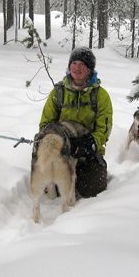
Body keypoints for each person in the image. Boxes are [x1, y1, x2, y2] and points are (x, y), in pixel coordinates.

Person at [39, 47, 113, 198]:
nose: (77, 68)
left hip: (88, 152)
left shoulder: (101, 95)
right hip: (61, 149)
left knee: (92, 189)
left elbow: (103, 130)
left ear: (90, 69)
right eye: (74, 63)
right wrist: (54, 140)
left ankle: (81, 175)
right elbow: (45, 123)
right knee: (54, 188)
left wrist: (90, 144)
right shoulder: (58, 92)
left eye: (82, 64)